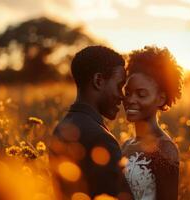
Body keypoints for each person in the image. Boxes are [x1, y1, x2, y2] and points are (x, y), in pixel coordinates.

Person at [48, 45, 133, 200]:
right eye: (119, 86)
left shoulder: (61, 128)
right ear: (98, 81)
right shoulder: (101, 138)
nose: (122, 96)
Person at [122, 46, 183, 200]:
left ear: (161, 98)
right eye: (127, 93)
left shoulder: (164, 149)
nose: (130, 100)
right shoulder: (126, 145)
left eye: (141, 94)